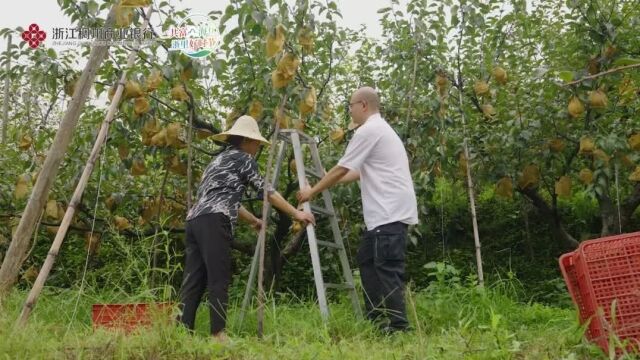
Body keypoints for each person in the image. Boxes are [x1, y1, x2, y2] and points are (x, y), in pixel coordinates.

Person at [178, 115, 315, 342]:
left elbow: (227, 199)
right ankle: (218, 334)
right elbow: (266, 191)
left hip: (194, 221)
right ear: (247, 141)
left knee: (194, 278)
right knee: (219, 277)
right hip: (214, 221)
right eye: (256, 143)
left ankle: (182, 332)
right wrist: (296, 213)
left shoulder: (218, 161)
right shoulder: (244, 159)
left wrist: (252, 220)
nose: (257, 147)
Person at [297, 87, 418, 334]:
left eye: (350, 105)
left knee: (387, 267)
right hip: (384, 214)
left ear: (363, 105)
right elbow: (356, 172)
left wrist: (313, 191)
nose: (349, 110)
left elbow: (342, 169)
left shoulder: (369, 130)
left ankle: (399, 327)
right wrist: (323, 179)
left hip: (389, 211)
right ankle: (376, 320)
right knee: (367, 259)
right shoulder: (380, 130)